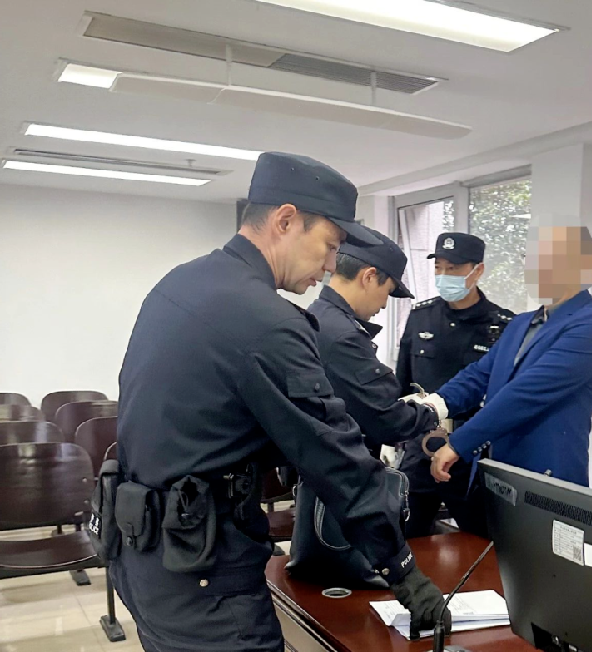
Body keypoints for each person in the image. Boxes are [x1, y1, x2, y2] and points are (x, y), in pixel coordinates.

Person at [112, 152, 450, 651]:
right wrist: (404, 572)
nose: (331, 265)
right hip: (203, 576)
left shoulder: (179, 283)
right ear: (286, 220)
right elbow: (335, 461)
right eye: (330, 245)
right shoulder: (267, 320)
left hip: (142, 552)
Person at [426, 224, 592, 488]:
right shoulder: (522, 323)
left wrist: (458, 443)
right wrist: (433, 405)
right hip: (498, 471)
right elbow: (479, 374)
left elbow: (525, 393)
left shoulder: (590, 326)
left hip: (547, 476)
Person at [396, 232, 514, 538]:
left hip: (472, 452)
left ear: (477, 270)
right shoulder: (421, 316)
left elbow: (507, 399)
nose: (444, 275)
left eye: (454, 268)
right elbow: (402, 383)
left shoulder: (503, 326)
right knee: (402, 538)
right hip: (421, 448)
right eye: (439, 267)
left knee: (485, 542)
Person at [308, 227, 447, 458]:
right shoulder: (344, 336)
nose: (384, 305)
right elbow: (388, 422)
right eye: (388, 291)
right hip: (339, 466)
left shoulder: (317, 315)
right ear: (369, 277)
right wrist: (431, 410)